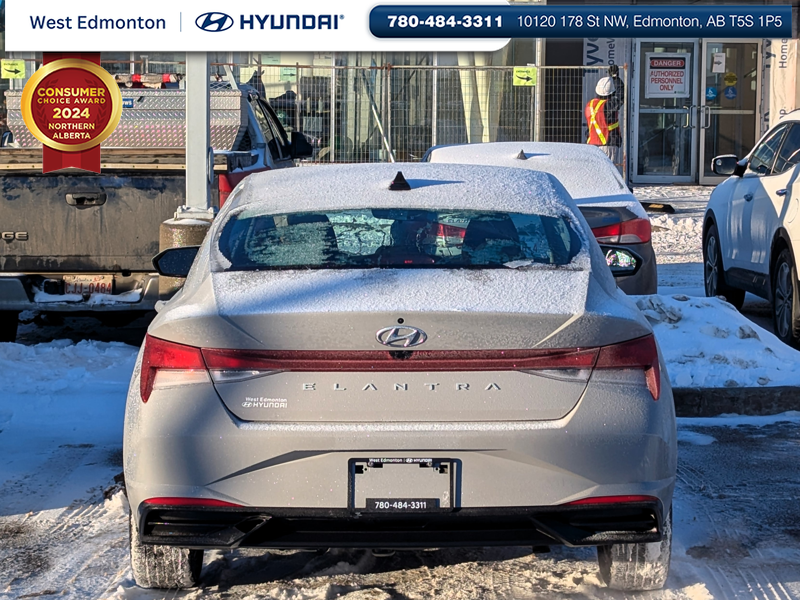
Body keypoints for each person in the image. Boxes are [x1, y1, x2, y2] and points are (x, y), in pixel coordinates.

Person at [585, 69, 623, 168]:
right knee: (608, 170)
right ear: (611, 93)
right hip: (608, 143)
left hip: (591, 143)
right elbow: (621, 97)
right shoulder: (608, 105)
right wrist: (615, 78)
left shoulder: (590, 104)